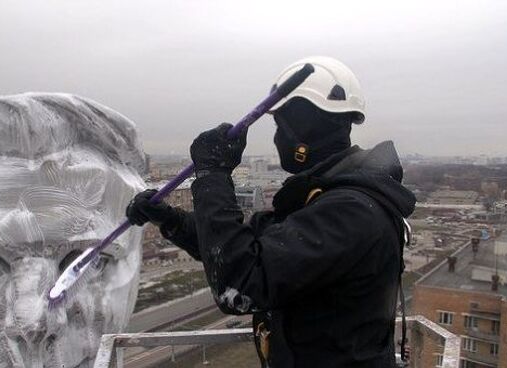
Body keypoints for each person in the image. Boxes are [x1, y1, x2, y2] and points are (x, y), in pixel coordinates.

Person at [126, 56, 416, 367]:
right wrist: (170, 219)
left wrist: (212, 176)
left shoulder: (351, 212)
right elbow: (243, 248)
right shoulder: (322, 199)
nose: (277, 138)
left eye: (280, 126)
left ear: (305, 128)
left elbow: (239, 282)